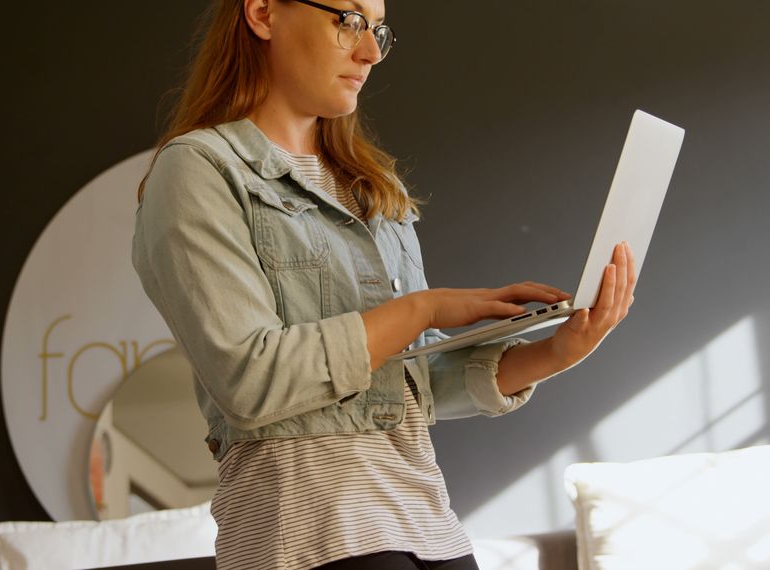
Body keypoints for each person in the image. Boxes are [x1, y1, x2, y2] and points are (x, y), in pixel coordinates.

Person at [131, 0, 637, 568]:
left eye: (378, 30)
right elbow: (249, 379)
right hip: (308, 530)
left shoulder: (376, 188)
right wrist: (422, 310)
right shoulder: (201, 170)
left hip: (426, 520)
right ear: (263, 13)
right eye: (347, 20)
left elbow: (407, 387)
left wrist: (556, 350)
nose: (370, 52)